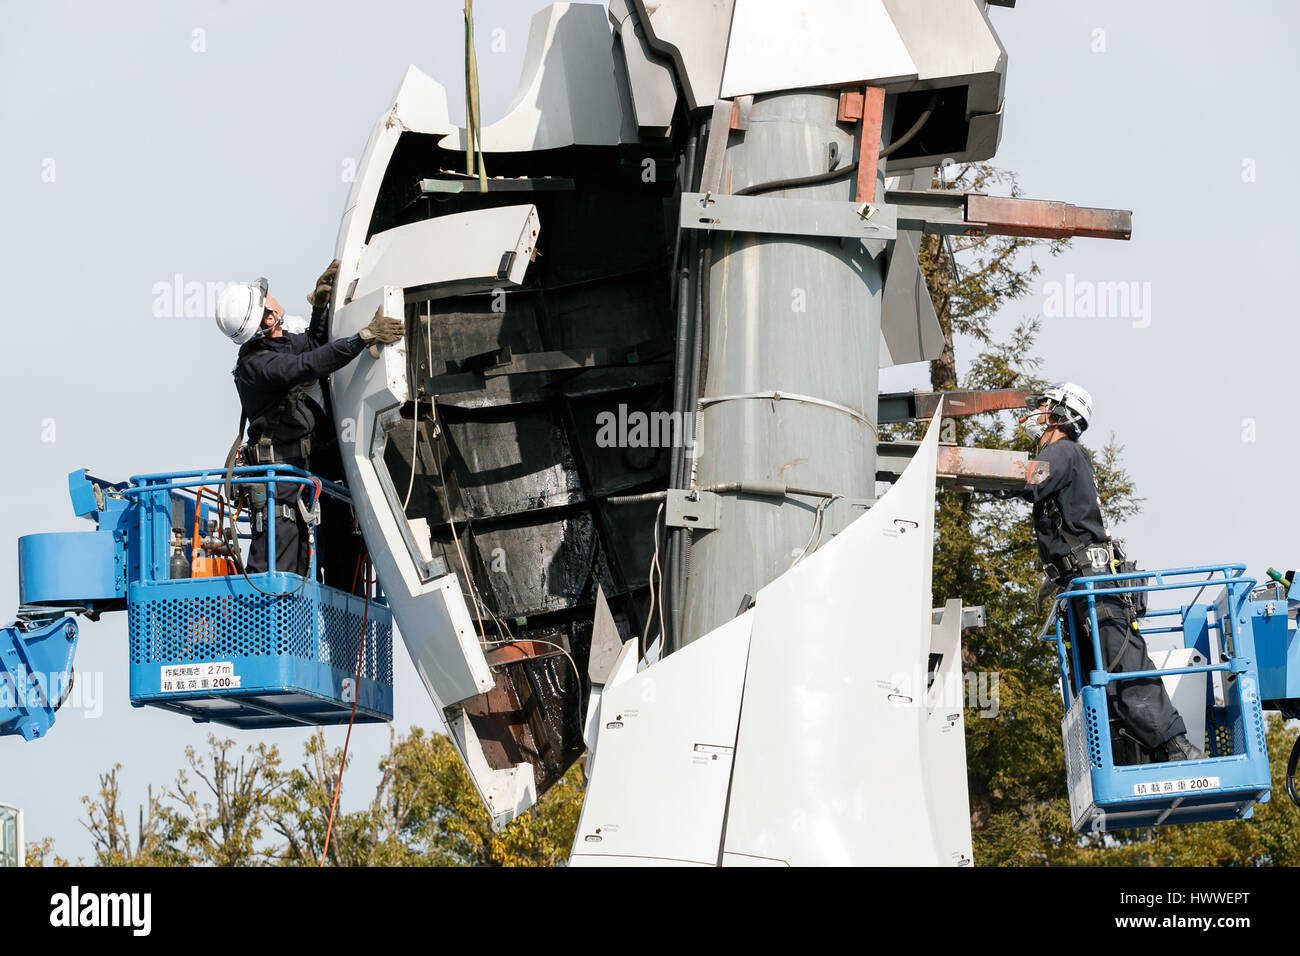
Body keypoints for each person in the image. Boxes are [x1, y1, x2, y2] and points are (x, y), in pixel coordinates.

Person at [1017, 382, 1205, 763]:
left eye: (1046, 406)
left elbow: (1028, 482)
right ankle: (1130, 754)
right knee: (1095, 678)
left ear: (1062, 414)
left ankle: (1177, 748)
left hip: (1095, 588)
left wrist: (967, 468)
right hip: (1080, 586)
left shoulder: (1063, 452)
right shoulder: (1065, 455)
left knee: (1123, 667)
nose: (1037, 412)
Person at [214, 261, 404, 577]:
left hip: (300, 469)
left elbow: (313, 347)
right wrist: (362, 338)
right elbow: (309, 365)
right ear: (268, 316)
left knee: (317, 551)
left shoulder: (275, 345)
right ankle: (268, 625)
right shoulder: (257, 367)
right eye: (266, 298)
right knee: (281, 561)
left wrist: (319, 308)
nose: (271, 296)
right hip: (280, 480)